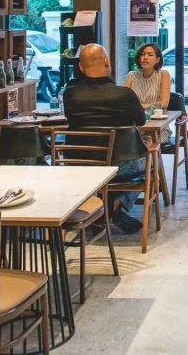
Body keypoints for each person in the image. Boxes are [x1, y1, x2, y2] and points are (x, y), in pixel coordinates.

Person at [63, 43, 147, 233]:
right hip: (119, 167)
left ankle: (97, 207)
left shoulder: (70, 95)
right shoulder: (124, 94)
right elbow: (141, 121)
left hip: (81, 164)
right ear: (107, 61)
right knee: (150, 161)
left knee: (101, 171)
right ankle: (114, 206)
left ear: (81, 68)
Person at [124, 43, 171, 110]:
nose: (145, 57)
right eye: (142, 54)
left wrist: (139, 106)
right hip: (136, 116)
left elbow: (164, 104)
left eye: (150, 55)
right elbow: (124, 101)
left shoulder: (163, 74)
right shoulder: (131, 75)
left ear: (157, 60)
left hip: (157, 117)